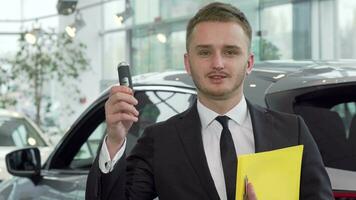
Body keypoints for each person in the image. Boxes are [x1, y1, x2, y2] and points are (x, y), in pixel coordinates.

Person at [86, 2, 333, 200]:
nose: (217, 63)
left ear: (248, 63)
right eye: (205, 52)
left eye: (230, 52)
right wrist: (116, 139)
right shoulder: (159, 141)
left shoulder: (292, 132)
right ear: (188, 63)